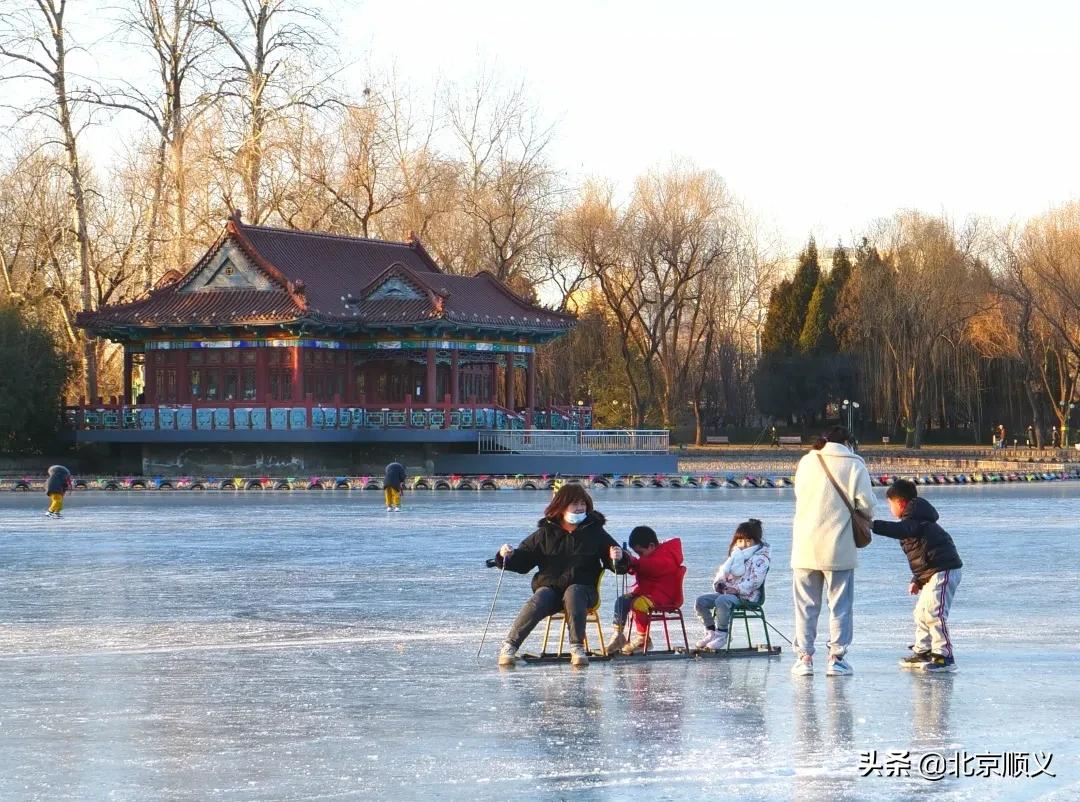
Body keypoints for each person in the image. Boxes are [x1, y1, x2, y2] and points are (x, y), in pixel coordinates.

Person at [493, 484, 628, 667]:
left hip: (584, 591)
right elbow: (523, 561)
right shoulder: (545, 533)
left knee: (574, 592)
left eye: (583, 504)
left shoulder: (595, 532)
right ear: (561, 507)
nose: (580, 508)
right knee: (540, 597)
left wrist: (618, 557)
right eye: (575, 504)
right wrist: (506, 555)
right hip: (552, 590)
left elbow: (617, 564)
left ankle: (577, 647)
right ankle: (509, 646)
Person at [790, 426, 874, 677]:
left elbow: (799, 495)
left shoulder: (806, 462)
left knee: (805, 605)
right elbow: (867, 505)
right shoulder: (854, 464)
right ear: (848, 442)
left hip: (805, 546)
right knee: (840, 605)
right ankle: (836, 658)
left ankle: (804, 658)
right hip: (839, 547)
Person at [872, 479, 963, 673]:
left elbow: (902, 530)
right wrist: (917, 580)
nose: (890, 509)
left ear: (901, 503)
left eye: (890, 504)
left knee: (934, 613)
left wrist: (872, 525)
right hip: (931, 572)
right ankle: (923, 650)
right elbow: (924, 555)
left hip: (944, 570)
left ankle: (944, 656)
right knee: (921, 612)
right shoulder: (916, 520)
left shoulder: (914, 520)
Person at [694, 518, 770, 650]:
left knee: (723, 601)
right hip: (728, 592)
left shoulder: (760, 558)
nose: (744, 544)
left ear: (756, 541)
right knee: (701, 601)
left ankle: (722, 633)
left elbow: (755, 581)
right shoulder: (735, 556)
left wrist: (736, 589)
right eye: (740, 540)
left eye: (748, 541)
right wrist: (720, 584)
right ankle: (711, 632)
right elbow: (723, 573)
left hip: (747, 596)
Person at [609, 526, 685, 655]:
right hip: (648, 593)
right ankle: (618, 635)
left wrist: (632, 560)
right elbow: (639, 568)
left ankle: (643, 638)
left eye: (640, 553)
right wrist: (625, 560)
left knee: (639, 604)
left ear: (651, 546)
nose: (640, 556)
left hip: (664, 596)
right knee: (622, 601)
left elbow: (650, 566)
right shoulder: (649, 557)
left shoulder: (666, 557)